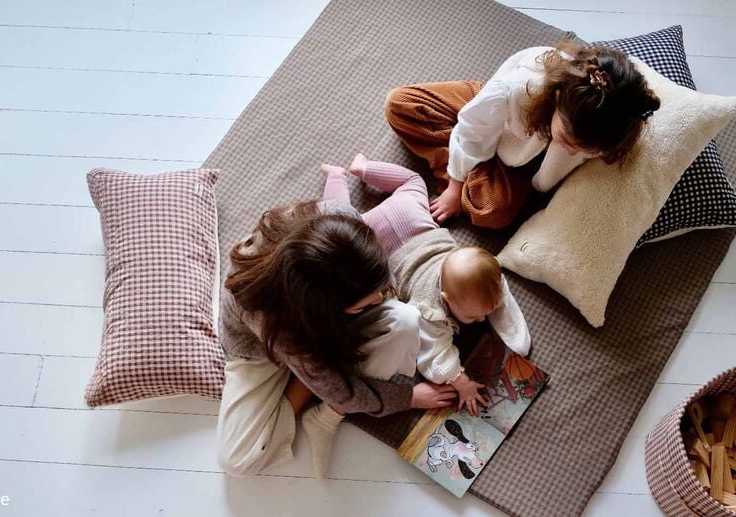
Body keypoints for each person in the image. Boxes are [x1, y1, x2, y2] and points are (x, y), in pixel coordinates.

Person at [305, 153, 531, 460]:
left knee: (413, 182)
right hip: (378, 239)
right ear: (447, 301)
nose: (479, 322)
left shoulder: (477, 271)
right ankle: (339, 178)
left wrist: (516, 337)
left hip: (409, 215)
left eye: (485, 313)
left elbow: (495, 289)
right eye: (473, 315)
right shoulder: (431, 311)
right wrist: (461, 383)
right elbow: (435, 358)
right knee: (340, 226)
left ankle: (359, 168)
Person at [216, 199, 458, 480]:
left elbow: (384, 289)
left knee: (406, 320)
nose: (380, 299)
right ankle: (306, 387)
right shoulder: (270, 316)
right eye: (364, 303)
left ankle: (315, 379)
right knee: (236, 460)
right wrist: (409, 398)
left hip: (321, 324)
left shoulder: (341, 217)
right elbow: (343, 393)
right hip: (262, 352)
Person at [385, 42, 661, 229]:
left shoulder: (614, 125)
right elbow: (473, 125)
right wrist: (455, 187)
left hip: (520, 160)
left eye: (584, 149)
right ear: (555, 98)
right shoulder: (518, 90)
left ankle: (470, 164)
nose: (574, 151)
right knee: (401, 104)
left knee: (492, 212)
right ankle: (458, 165)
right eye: (568, 139)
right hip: (498, 116)